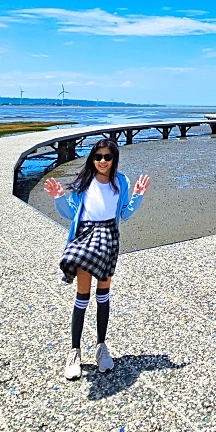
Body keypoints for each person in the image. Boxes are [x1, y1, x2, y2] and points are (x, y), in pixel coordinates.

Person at [43, 139, 150, 381]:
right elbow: (71, 214)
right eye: (98, 156)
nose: (102, 161)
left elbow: (124, 213)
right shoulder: (83, 183)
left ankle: (101, 347)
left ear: (114, 159)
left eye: (107, 157)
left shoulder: (121, 182)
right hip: (85, 236)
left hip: (109, 237)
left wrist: (138, 197)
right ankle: (74, 352)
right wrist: (59, 197)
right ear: (92, 159)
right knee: (83, 296)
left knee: (103, 295)